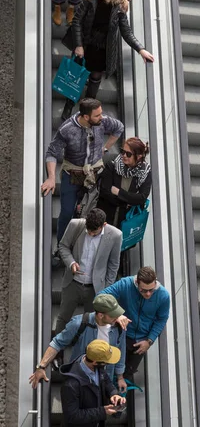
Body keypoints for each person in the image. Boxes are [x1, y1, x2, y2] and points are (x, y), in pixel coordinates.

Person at [64, 0, 153, 117]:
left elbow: (126, 31)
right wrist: (78, 45)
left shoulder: (118, 6)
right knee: (74, 76)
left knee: (95, 79)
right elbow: (76, 21)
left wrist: (140, 49)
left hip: (102, 48)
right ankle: (68, 106)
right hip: (85, 43)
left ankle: (86, 111)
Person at [41, 97, 124, 244]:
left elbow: (119, 127)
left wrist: (105, 148)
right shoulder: (67, 129)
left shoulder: (102, 121)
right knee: (67, 213)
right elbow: (52, 153)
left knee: (90, 212)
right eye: (97, 115)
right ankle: (62, 246)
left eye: (101, 113)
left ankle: (83, 243)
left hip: (95, 174)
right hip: (73, 174)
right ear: (86, 117)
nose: (102, 117)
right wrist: (51, 178)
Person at [28, 294, 127, 392]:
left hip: (105, 379)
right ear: (101, 315)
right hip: (81, 378)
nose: (118, 317)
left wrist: (120, 377)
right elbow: (57, 343)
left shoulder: (118, 327)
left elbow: (120, 351)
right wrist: (41, 367)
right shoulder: (78, 323)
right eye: (113, 315)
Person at [56, 208, 122, 333]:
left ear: (104, 225)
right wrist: (71, 263)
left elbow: (113, 264)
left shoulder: (115, 235)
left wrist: (106, 289)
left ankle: (88, 349)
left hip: (96, 288)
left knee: (93, 323)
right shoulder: (76, 225)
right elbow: (63, 246)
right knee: (63, 318)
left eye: (94, 233)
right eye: (88, 231)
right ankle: (57, 350)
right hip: (72, 283)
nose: (90, 234)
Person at [58, 339, 126, 427]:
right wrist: (102, 411)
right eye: (106, 362)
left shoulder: (97, 367)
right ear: (95, 362)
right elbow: (72, 416)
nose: (107, 364)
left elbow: (106, 381)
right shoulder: (70, 385)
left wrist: (113, 394)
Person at [99, 266, 170, 377]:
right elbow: (101, 297)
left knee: (127, 373)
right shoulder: (125, 284)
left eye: (151, 290)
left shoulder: (163, 295)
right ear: (137, 282)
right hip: (121, 334)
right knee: (107, 368)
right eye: (143, 290)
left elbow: (161, 319)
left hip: (141, 341)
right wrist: (116, 315)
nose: (148, 294)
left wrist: (150, 340)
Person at [96, 137, 152, 228]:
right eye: (123, 151)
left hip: (129, 220)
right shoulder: (113, 164)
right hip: (106, 216)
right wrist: (128, 201)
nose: (124, 155)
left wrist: (118, 192)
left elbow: (141, 198)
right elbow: (106, 191)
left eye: (128, 154)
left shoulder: (145, 172)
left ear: (138, 156)